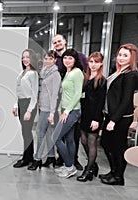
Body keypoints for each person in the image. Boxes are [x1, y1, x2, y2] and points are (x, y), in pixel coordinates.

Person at [100, 43, 138, 186]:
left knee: (118, 147)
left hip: (121, 118)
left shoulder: (131, 75)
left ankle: (118, 177)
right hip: (111, 115)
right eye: (120, 54)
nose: (121, 58)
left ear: (132, 58)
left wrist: (114, 120)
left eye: (125, 55)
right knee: (106, 143)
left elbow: (126, 100)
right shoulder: (118, 71)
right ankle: (113, 171)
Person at [52, 34, 87, 170]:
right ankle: (69, 164)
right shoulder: (67, 72)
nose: (67, 60)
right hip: (66, 108)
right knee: (70, 139)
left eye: (70, 58)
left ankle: (69, 164)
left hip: (73, 110)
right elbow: (63, 93)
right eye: (65, 58)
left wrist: (66, 111)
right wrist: (61, 109)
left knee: (57, 137)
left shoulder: (77, 72)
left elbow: (77, 93)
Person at [28, 50, 61, 170]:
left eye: (50, 59)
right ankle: (51, 156)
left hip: (48, 108)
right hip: (41, 106)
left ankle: (37, 159)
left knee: (39, 133)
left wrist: (52, 112)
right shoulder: (44, 71)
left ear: (55, 60)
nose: (48, 61)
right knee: (47, 133)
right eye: (46, 58)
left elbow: (54, 95)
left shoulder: (55, 74)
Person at [76, 52, 106, 182]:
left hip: (95, 115)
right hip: (84, 113)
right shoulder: (86, 78)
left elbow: (100, 102)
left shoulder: (101, 80)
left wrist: (96, 119)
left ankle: (87, 171)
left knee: (91, 142)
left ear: (101, 64)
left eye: (96, 62)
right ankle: (93, 165)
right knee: (83, 140)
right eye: (91, 61)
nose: (93, 65)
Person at [12, 49, 38, 168]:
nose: (25, 59)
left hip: (29, 104)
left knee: (27, 132)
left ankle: (28, 158)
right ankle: (27, 157)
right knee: (24, 132)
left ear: (32, 58)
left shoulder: (33, 73)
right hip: (21, 102)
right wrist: (15, 105)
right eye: (23, 57)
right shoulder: (22, 73)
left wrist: (29, 110)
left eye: (27, 57)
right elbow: (18, 91)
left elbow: (34, 94)